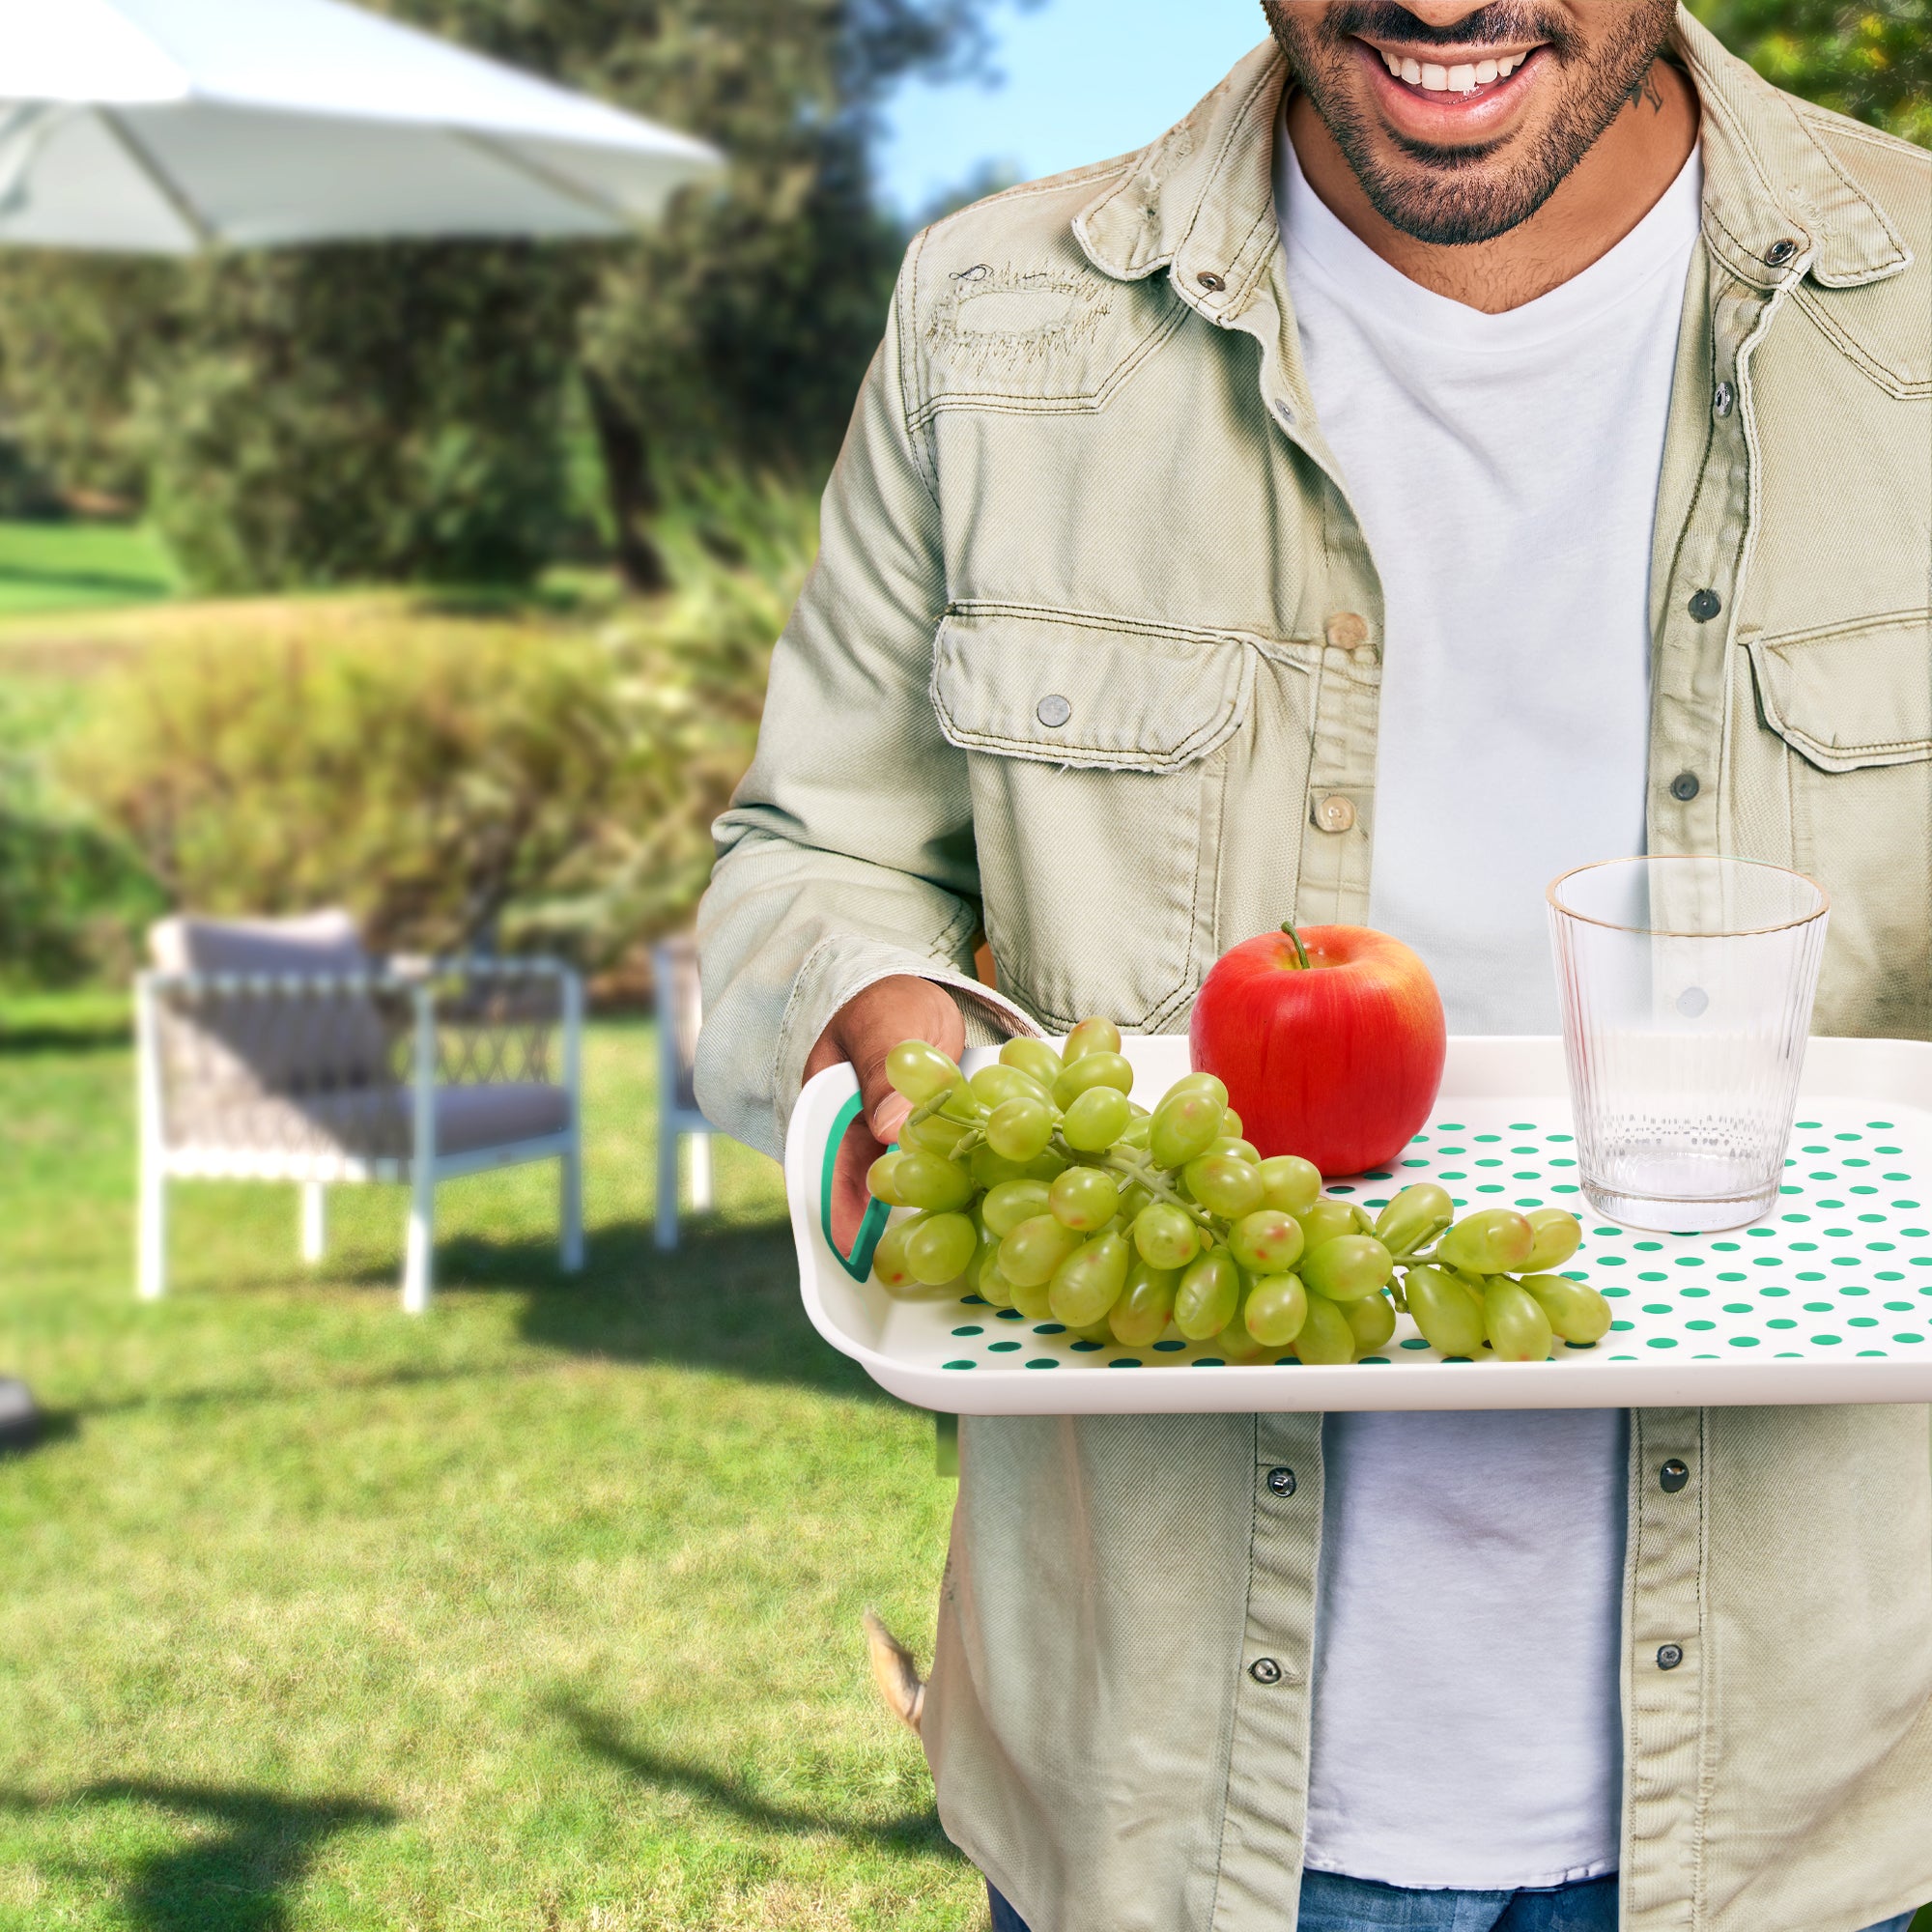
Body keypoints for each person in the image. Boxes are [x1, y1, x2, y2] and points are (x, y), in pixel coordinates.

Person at [696, 2, 1932, 1926]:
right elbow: (814, 848)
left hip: (1792, 1800)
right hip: (1152, 1790)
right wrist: (878, 1023)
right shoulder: (997, 312)